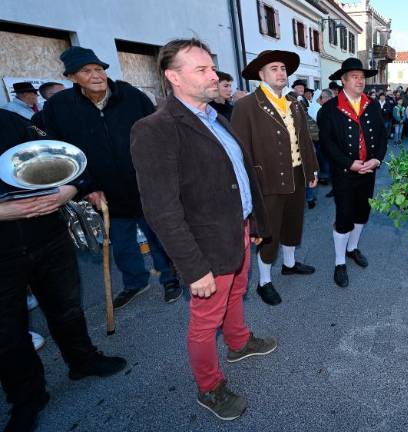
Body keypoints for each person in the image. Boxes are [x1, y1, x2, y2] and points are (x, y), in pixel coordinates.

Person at [130, 38, 275, 421]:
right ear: (173, 77)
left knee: (237, 293)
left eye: (212, 67)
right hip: (204, 244)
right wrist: (193, 269)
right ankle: (209, 387)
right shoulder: (155, 129)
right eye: (202, 70)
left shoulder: (215, 117)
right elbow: (161, 210)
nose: (214, 75)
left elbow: (237, 176)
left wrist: (254, 222)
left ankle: (239, 342)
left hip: (238, 230)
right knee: (204, 320)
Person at [1, 109, 126, 431]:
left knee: (67, 307)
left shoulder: (11, 122)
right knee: (7, 331)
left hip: (47, 236)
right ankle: (27, 398)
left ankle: (82, 360)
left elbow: (68, 162)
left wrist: (69, 190)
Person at [41, 46, 181, 309]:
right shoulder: (59, 107)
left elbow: (158, 134)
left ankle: (170, 278)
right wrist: (86, 186)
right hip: (103, 191)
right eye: (87, 71)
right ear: (72, 77)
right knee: (121, 242)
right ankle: (135, 282)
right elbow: (61, 154)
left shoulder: (130, 96)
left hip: (143, 185)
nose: (96, 75)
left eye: (99, 69)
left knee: (158, 235)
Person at [231, 50, 319, 306]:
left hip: (297, 173)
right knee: (269, 231)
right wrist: (247, 186)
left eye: (283, 68)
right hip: (266, 178)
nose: (281, 73)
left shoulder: (294, 101)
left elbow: (304, 139)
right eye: (274, 68)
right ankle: (264, 281)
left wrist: (311, 169)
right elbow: (239, 151)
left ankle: (290, 264)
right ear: (261, 74)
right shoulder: (246, 106)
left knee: (293, 222)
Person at [317, 57, 388, 288]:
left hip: (369, 170)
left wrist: (377, 159)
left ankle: (353, 248)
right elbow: (328, 144)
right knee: (344, 215)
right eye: (355, 77)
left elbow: (381, 136)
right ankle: (339, 262)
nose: (360, 81)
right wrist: (349, 163)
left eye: (362, 77)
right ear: (343, 80)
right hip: (345, 172)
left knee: (362, 212)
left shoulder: (372, 105)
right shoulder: (329, 109)